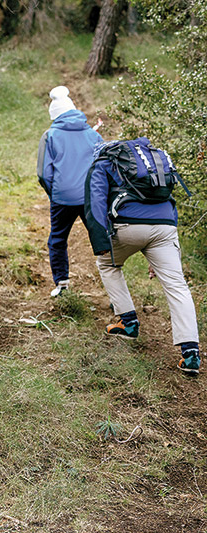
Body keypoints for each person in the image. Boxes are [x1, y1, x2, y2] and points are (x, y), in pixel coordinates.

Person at [83, 138, 200, 374]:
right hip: (165, 227)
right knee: (177, 286)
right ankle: (191, 354)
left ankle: (128, 322)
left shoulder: (104, 162)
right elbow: (168, 197)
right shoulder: (155, 161)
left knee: (108, 265)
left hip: (127, 226)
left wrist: (100, 241)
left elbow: (94, 203)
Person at [37, 86, 104, 298]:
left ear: (54, 115)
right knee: (102, 238)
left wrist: (54, 193)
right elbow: (103, 167)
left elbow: (43, 174)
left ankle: (62, 284)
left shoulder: (50, 135)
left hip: (62, 197)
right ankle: (114, 288)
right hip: (90, 196)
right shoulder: (93, 135)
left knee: (57, 239)